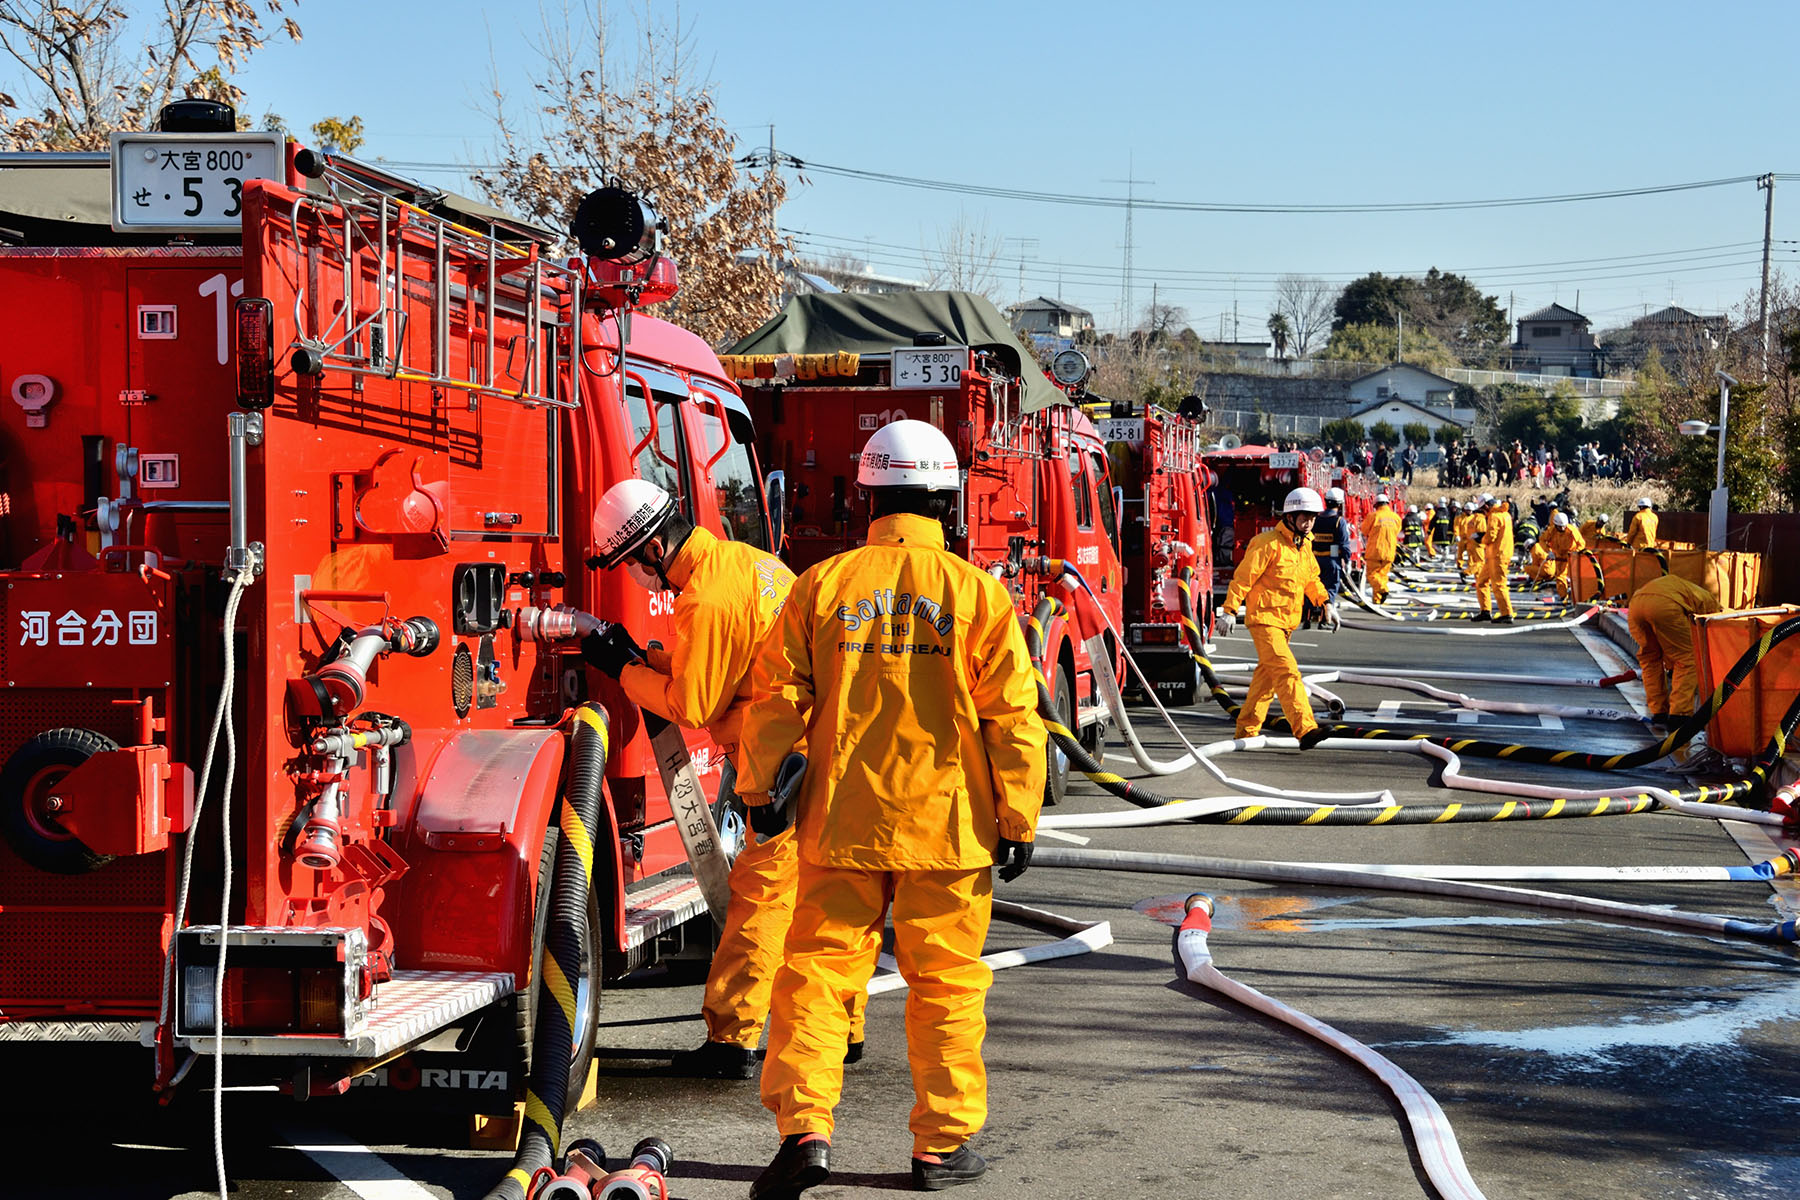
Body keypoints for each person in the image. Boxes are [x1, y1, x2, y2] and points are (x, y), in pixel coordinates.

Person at [738, 420, 1046, 1198]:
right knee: (945, 984)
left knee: (816, 977)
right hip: (948, 828)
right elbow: (1014, 714)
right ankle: (940, 1146)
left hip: (841, 823)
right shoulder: (976, 593)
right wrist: (1018, 816)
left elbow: (776, 696)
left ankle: (805, 1133)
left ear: (865, 495)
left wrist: (759, 791)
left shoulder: (822, 585)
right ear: (946, 500)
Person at [583, 480, 869, 1082]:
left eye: (630, 562)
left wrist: (623, 669)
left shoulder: (706, 597)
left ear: (655, 547)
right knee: (829, 900)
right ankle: (845, 1027)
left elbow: (691, 701)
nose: (633, 575)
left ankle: (733, 1038)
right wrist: (647, 657)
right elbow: (731, 660)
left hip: (780, 765)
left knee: (762, 899)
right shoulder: (748, 562)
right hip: (820, 749)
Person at [1217, 487, 1334, 746]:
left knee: (1266, 680)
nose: (1309, 523)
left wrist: (1325, 602)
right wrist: (1229, 610)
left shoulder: (1303, 547)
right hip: (1265, 621)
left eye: (1313, 518)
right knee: (1287, 671)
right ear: (1289, 517)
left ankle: (1246, 731)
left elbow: (1311, 579)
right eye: (1304, 517)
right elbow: (1243, 579)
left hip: (1286, 623)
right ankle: (1305, 729)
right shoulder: (1266, 544)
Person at [1628, 574, 1721, 727]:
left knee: (1650, 659)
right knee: (1688, 658)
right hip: (1664, 605)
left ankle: (1659, 712)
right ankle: (1680, 715)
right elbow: (1710, 630)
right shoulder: (1711, 604)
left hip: (1636, 604)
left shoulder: (1686, 589)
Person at [1309, 486, 1351, 623]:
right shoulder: (1339, 522)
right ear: (1340, 504)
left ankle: (1311, 614)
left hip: (1315, 559)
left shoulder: (1316, 519)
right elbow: (1344, 544)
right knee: (1330, 589)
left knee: (1314, 587)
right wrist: (1347, 560)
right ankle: (1326, 617)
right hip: (1332, 560)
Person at [1473, 493, 1515, 624]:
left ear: (1486, 505)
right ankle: (1485, 611)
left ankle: (1507, 613)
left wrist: (1481, 539)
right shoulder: (1505, 514)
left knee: (1499, 584)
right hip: (1496, 555)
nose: (1483, 513)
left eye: (1482, 509)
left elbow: (1491, 536)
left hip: (1498, 555)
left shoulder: (1494, 516)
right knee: (1481, 582)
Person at [1359, 492, 1402, 603]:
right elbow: (1396, 532)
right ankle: (1377, 600)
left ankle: (1383, 590)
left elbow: (1364, 530)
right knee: (1382, 576)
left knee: (1372, 575)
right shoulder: (1396, 518)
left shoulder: (1373, 516)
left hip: (1375, 551)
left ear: (1376, 505)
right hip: (1389, 552)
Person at [1541, 510, 1586, 602]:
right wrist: (1549, 551)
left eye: (1563, 526)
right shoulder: (1552, 531)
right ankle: (1563, 597)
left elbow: (1581, 544)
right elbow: (1542, 540)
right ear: (1556, 525)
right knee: (1560, 577)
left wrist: (1574, 553)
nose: (1562, 529)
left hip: (1571, 557)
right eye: (1560, 527)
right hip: (1559, 557)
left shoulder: (1572, 530)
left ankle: (1579, 597)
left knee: (1576, 578)